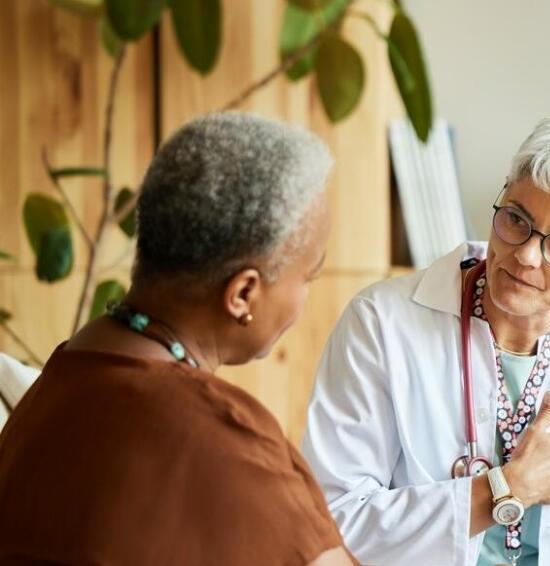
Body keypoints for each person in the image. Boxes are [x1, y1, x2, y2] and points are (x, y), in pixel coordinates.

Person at [302, 109, 550, 564]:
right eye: (516, 219)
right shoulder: (382, 324)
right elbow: (332, 520)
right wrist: (508, 488)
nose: (526, 255)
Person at [0, 113, 351, 565]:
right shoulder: (230, 439)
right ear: (243, 293)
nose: (306, 296)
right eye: (309, 275)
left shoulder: (59, 378)